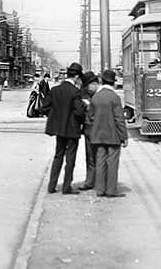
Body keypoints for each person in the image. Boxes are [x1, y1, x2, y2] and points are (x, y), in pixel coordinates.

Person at [45, 62, 86, 194]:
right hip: (72, 129)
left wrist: (55, 116)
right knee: (70, 158)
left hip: (58, 129)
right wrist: (84, 107)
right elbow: (79, 112)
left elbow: (44, 107)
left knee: (58, 156)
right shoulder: (75, 92)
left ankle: (51, 186)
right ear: (77, 77)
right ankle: (66, 187)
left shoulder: (55, 90)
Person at [88, 69, 128, 198]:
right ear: (113, 83)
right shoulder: (114, 97)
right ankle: (111, 190)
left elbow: (90, 117)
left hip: (98, 135)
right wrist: (124, 136)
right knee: (112, 162)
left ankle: (100, 189)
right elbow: (119, 119)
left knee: (100, 161)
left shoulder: (95, 97)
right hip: (113, 136)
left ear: (101, 81)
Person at [75, 71, 101, 191]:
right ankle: (90, 181)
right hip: (89, 129)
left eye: (97, 82)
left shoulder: (101, 94)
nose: (96, 85)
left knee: (101, 156)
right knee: (91, 157)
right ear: (87, 85)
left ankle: (100, 181)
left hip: (101, 129)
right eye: (93, 83)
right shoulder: (82, 95)